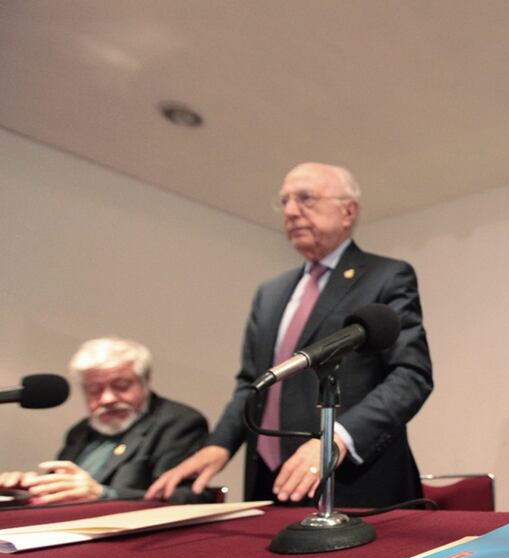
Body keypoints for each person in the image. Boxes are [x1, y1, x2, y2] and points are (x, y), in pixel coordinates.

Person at [147, 162, 433, 507]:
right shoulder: (271, 293)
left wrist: (336, 439)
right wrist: (218, 444)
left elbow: (411, 375)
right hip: (268, 480)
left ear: (348, 211)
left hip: (353, 482)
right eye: (284, 202)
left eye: (305, 199)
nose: (291, 211)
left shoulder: (387, 276)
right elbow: (251, 383)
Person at [0, 337, 208, 504]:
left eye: (121, 385)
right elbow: (62, 492)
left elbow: (185, 499)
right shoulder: (80, 431)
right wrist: (26, 489)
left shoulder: (179, 423)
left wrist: (103, 494)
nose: (107, 399)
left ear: (146, 380)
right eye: (94, 390)